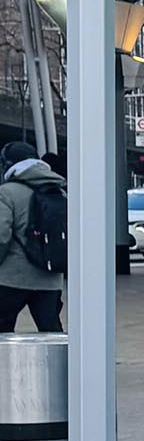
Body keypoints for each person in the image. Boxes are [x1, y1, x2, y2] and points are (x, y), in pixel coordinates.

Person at [0, 139, 63, 332]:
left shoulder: (6, 193)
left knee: (2, 333)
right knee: (52, 332)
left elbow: (1, 235)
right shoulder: (59, 192)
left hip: (11, 278)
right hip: (51, 279)